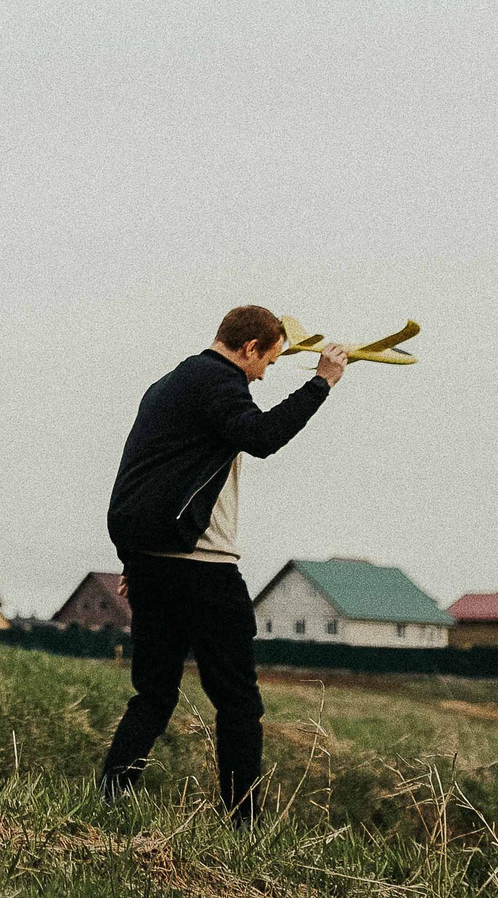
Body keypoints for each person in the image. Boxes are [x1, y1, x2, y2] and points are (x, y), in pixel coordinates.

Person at [96, 305, 348, 824]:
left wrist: (133, 559)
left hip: (151, 564)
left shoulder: (167, 385)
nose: (263, 376)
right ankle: (243, 824)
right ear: (249, 348)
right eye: (268, 363)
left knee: (153, 694)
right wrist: (321, 383)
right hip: (204, 568)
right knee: (238, 704)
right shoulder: (220, 381)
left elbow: (138, 475)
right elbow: (262, 437)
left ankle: (110, 798)